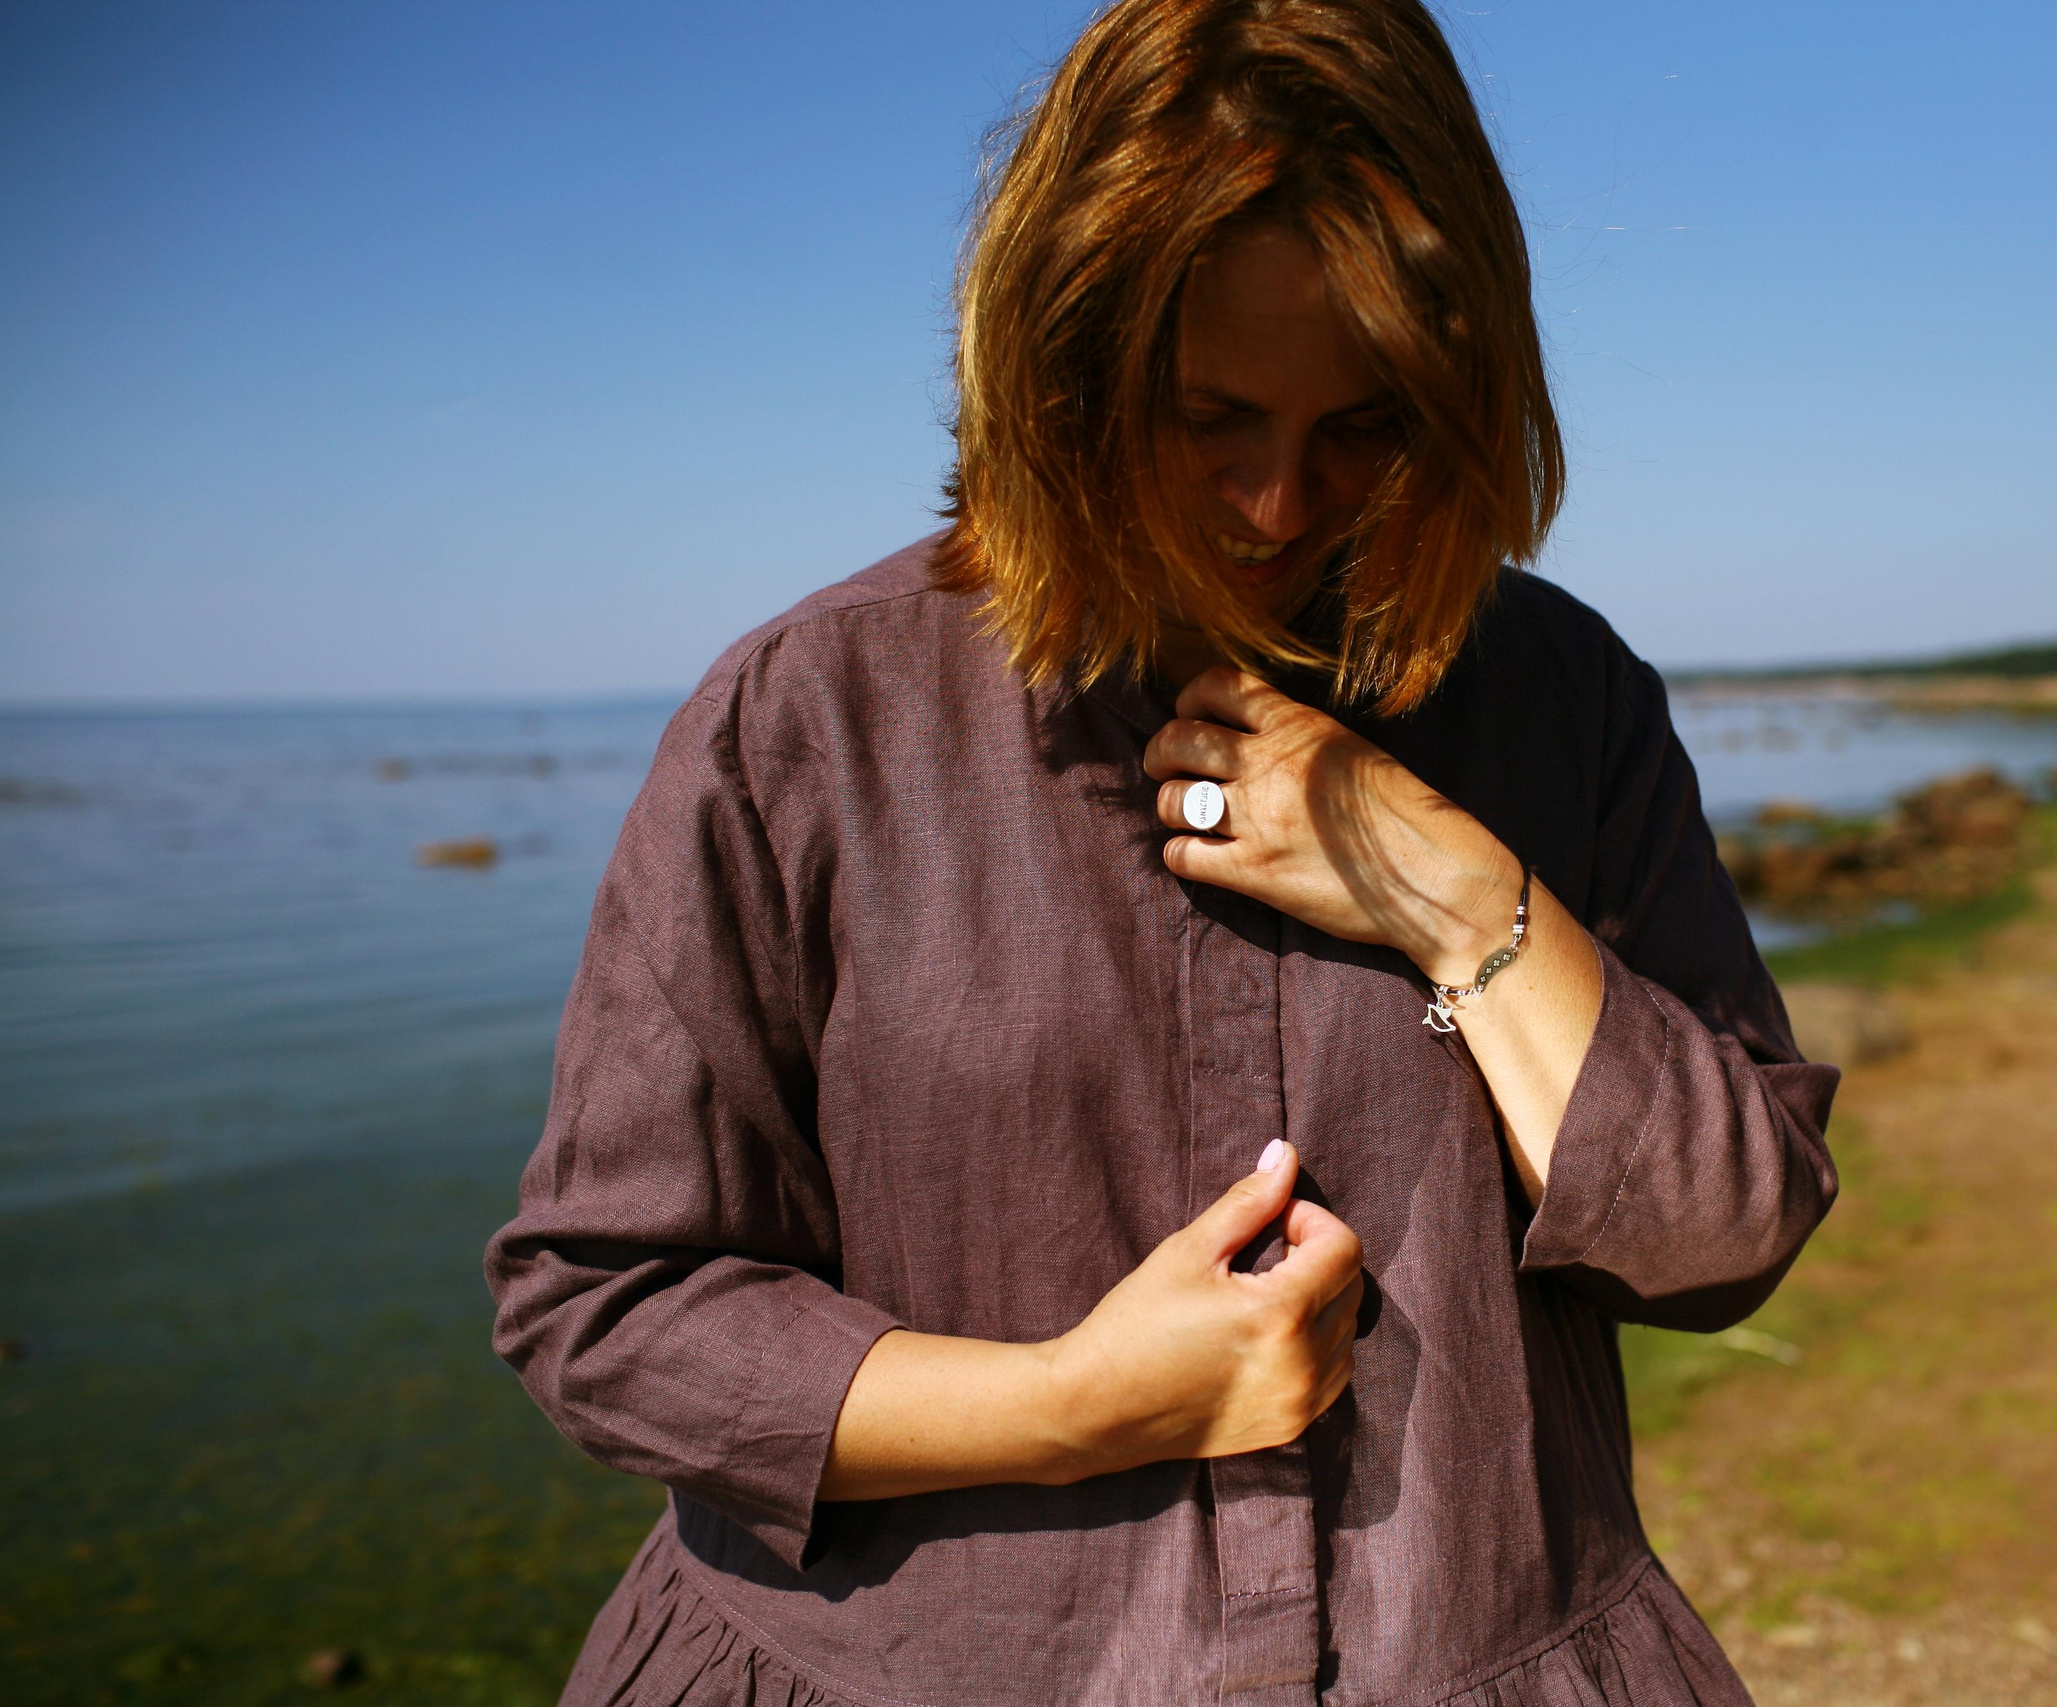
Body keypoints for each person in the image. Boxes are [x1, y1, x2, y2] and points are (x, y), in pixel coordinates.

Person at [485, 1, 1840, 1701]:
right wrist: (1074, 1403)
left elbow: (1721, 1241)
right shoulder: (807, 721)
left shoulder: (1564, 703)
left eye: (1364, 425)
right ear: (1064, 374)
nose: (1280, 506)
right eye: (1211, 419)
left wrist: (1446, 886)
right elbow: (607, 1310)